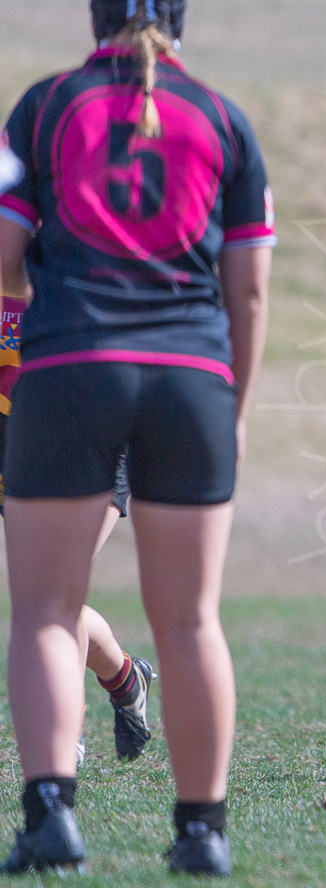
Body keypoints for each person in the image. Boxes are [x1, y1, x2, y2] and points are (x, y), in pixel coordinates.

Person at [0, 0, 274, 874]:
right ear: (181, 17)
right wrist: (229, 404)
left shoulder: (43, 109)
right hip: (192, 376)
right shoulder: (226, 122)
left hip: (71, 368)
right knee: (192, 620)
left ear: (94, 13)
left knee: (42, 607)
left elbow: (2, 255)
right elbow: (250, 293)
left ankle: (51, 819)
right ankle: (201, 833)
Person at [0, 293, 157, 769]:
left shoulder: (77, 258)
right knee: (43, 599)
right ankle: (127, 679)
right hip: (14, 437)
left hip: (93, 440)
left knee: (51, 595)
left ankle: (62, 733)